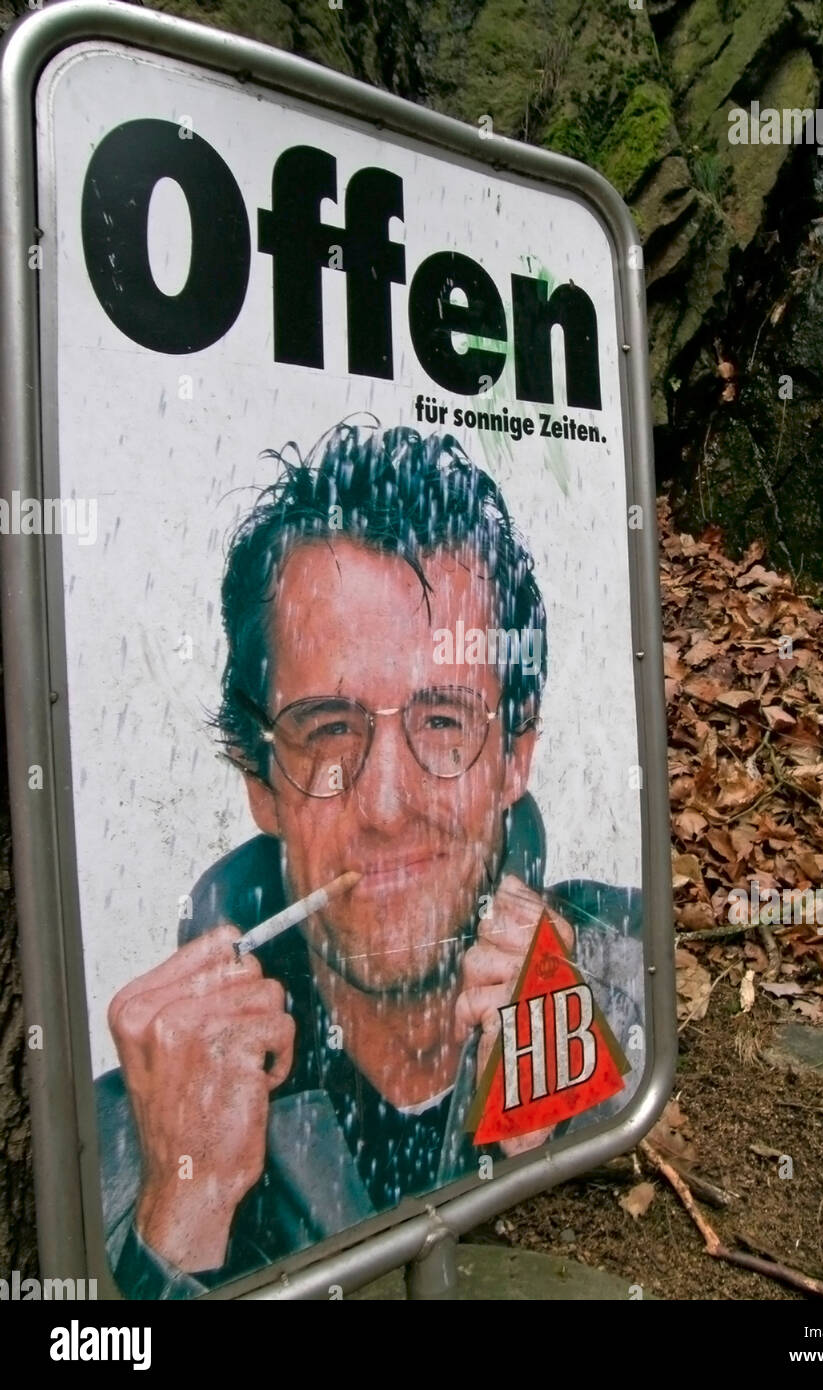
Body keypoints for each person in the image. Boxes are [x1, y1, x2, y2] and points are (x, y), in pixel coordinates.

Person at [96, 423, 645, 1298]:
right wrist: (181, 1215)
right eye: (328, 732)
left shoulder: (623, 965)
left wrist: (566, 1084)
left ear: (515, 758)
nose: (386, 809)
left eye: (442, 721)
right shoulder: (137, 1123)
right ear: (262, 785)